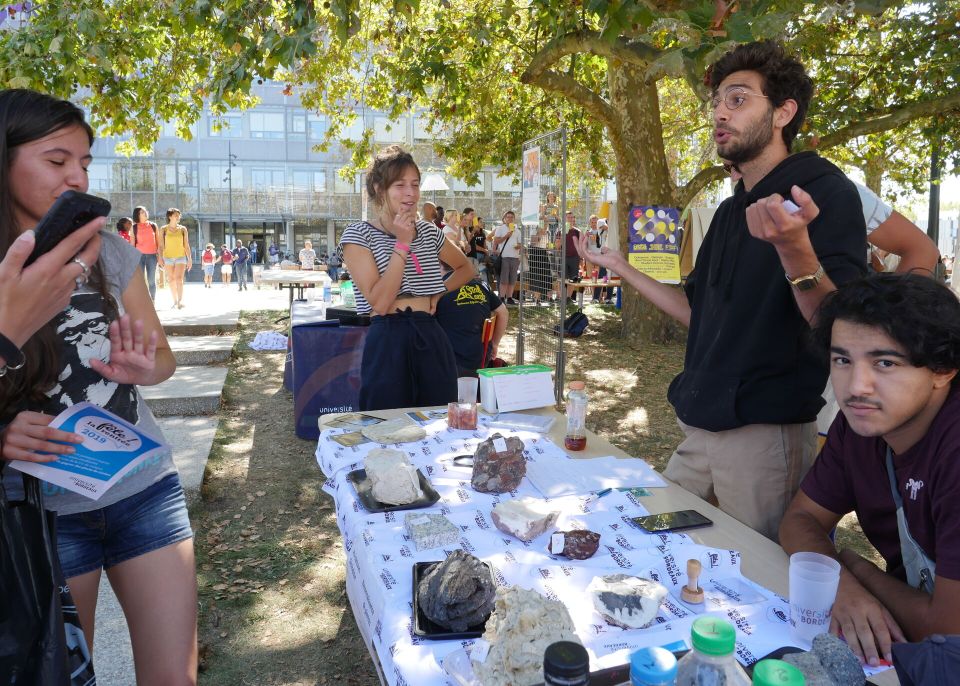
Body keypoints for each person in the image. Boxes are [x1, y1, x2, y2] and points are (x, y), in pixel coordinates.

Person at [583, 41, 867, 541]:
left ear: (783, 112)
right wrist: (620, 267)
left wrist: (794, 247)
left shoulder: (822, 191)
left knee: (760, 577)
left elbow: (841, 326)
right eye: (717, 102)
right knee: (656, 546)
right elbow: (698, 313)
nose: (720, 113)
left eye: (738, 99)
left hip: (766, 436)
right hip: (701, 427)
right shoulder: (732, 210)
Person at [0, 89, 196, 684]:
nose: (77, 177)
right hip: (43, 511)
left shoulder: (109, 250)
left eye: (85, 162)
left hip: (145, 488)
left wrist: (145, 368)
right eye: (57, 161)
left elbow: (161, 359)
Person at [779, 273, 960, 667]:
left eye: (885, 362)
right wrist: (841, 586)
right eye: (842, 359)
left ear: (943, 369)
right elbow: (800, 518)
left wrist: (858, 570)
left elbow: (949, 632)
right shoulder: (859, 426)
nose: (856, 386)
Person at [338, 145, 475, 410]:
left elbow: (466, 268)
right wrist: (401, 244)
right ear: (380, 189)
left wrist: (439, 292)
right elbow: (379, 302)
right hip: (387, 338)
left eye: (415, 184)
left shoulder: (429, 232)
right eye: (400, 185)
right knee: (386, 427)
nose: (411, 193)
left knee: (436, 423)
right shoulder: (358, 235)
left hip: (431, 335)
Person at [435, 276, 509, 378]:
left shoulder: (438, 288)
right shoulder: (481, 284)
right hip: (481, 359)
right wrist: (495, 343)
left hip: (449, 364)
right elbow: (503, 313)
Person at [158, 208, 192, 309]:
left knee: (179, 279)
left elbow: (186, 245)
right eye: (175, 215)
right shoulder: (163, 229)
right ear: (170, 216)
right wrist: (160, 258)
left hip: (180, 257)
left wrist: (189, 258)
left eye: (178, 215)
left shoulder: (183, 229)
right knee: (171, 280)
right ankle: (175, 300)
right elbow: (160, 246)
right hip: (167, 257)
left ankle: (180, 301)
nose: (178, 217)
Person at [131, 205, 159, 301]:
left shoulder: (153, 226)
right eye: (142, 212)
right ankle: (143, 301)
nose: (146, 212)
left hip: (152, 256)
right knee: (141, 281)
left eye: (145, 211)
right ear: (138, 215)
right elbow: (132, 245)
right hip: (139, 256)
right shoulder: (134, 227)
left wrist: (159, 257)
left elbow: (158, 243)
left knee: (151, 280)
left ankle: (153, 300)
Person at [492, 209, 521, 304]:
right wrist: (506, 236)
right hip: (504, 256)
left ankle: (509, 297)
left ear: (514, 219)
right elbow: (496, 241)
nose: (510, 219)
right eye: (508, 217)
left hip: (515, 257)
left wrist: (519, 246)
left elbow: (520, 243)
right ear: (504, 219)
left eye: (511, 217)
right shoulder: (500, 228)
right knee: (504, 279)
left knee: (512, 279)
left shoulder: (517, 230)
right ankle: (501, 297)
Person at [563, 210, 582, 301]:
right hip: (564, 257)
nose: (570, 219)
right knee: (563, 278)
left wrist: (581, 258)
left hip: (575, 258)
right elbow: (557, 245)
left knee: (572, 278)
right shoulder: (561, 231)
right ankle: (562, 297)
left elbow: (581, 245)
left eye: (572, 217)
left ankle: (568, 298)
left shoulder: (577, 231)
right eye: (568, 217)